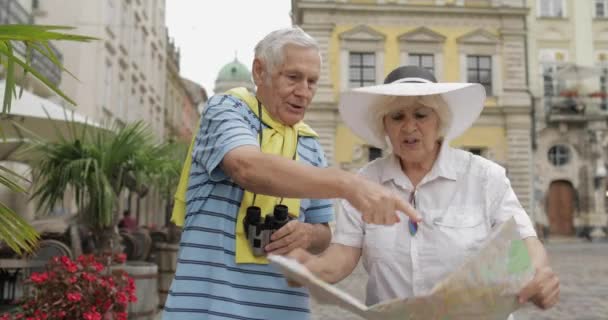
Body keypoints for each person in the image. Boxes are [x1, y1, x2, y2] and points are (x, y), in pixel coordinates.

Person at [162, 28, 419, 320]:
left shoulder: (310, 143)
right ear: (260, 71)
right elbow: (246, 167)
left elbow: (323, 233)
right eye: (293, 77)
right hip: (210, 310)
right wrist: (348, 183)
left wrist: (307, 234)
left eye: (312, 82)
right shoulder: (226, 110)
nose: (304, 91)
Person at [287, 66, 560, 318]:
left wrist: (538, 274)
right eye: (397, 117)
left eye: (421, 115)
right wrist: (308, 268)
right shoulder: (366, 182)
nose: (409, 127)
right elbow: (342, 256)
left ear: (439, 121)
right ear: (384, 125)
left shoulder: (485, 177)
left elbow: (525, 241)